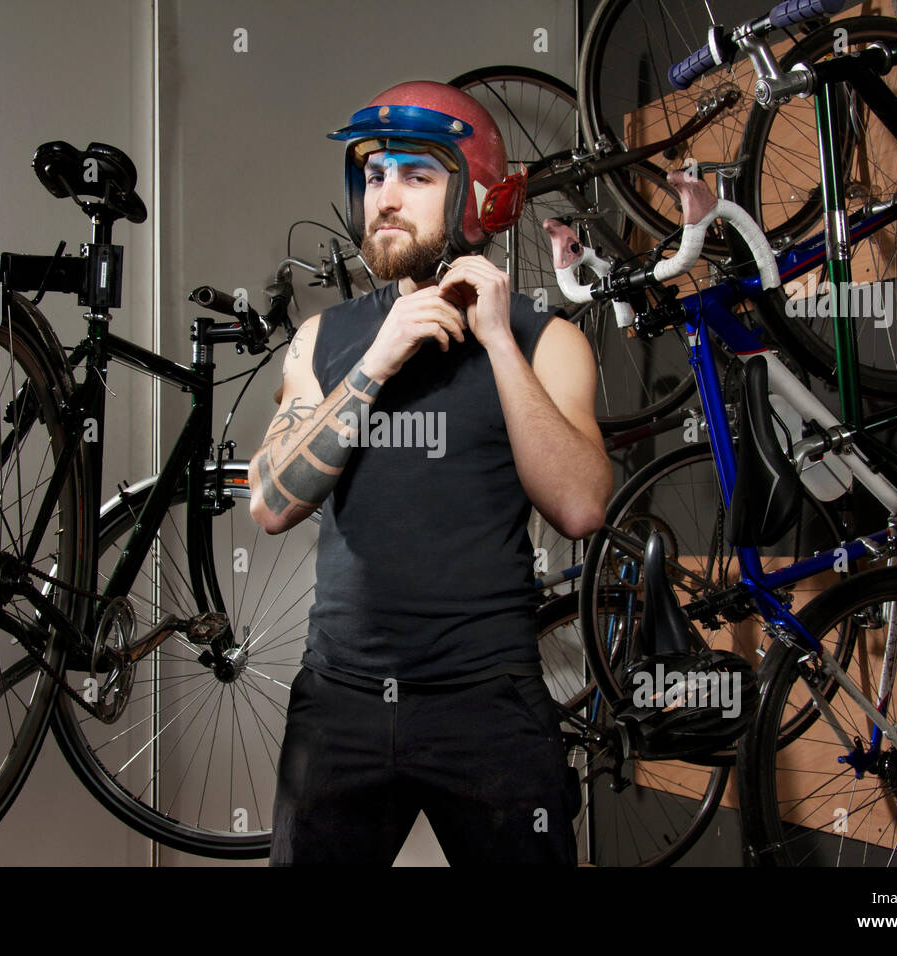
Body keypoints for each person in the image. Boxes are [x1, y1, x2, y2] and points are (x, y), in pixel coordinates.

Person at [248, 80, 612, 865]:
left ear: (477, 195)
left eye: (417, 176)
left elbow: (581, 508)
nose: (386, 196)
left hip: (489, 703)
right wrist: (378, 360)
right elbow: (271, 504)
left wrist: (500, 345)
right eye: (376, 175)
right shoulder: (323, 339)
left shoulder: (546, 343)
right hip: (339, 700)